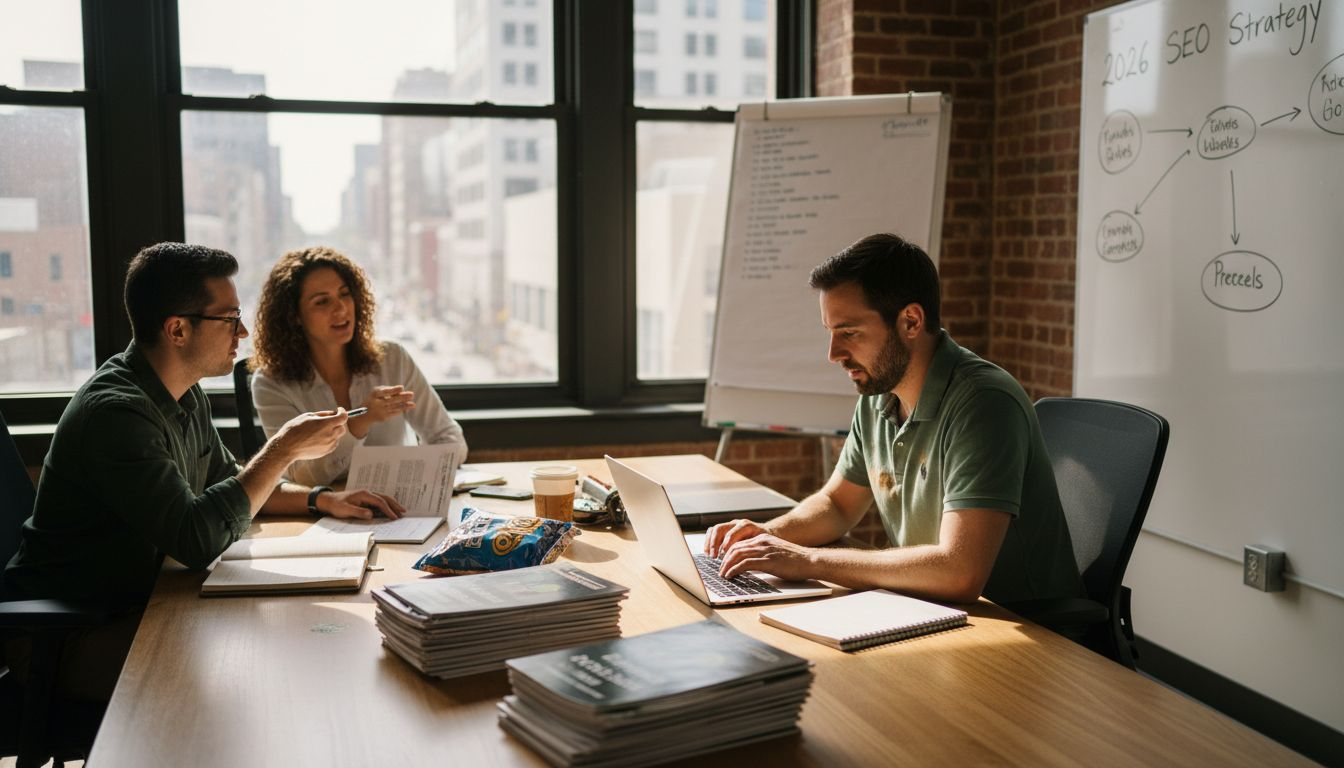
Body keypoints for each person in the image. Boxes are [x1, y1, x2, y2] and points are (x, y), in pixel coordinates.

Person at [1, 242, 403, 702]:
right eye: (230, 319)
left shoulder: (185, 395)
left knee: (279, 643)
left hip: (137, 604)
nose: (244, 331)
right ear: (177, 330)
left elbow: (233, 484)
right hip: (67, 638)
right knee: (257, 663)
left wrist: (320, 500)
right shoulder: (116, 415)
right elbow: (196, 540)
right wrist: (284, 449)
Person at [706, 233, 1082, 605]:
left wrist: (809, 561)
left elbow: (960, 571)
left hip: (1027, 633)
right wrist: (766, 538)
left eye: (849, 333)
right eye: (830, 333)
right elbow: (838, 505)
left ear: (911, 322)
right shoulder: (879, 392)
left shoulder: (985, 404)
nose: (834, 354)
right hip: (929, 607)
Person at [249, 246, 467, 487]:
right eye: (322, 301)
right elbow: (300, 477)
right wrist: (359, 423)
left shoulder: (392, 358)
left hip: (401, 509)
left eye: (345, 294)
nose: (341, 308)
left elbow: (451, 439)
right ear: (294, 316)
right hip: (323, 516)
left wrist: (415, 475)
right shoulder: (270, 383)